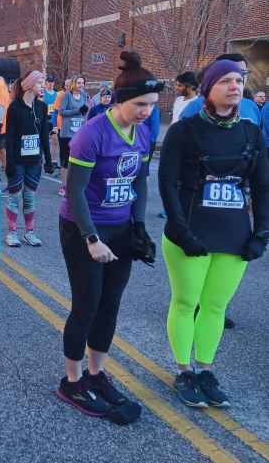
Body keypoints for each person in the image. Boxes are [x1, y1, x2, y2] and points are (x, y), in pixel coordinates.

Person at [159, 59, 269, 409]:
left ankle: (205, 369)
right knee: (186, 302)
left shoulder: (251, 133)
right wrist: (180, 229)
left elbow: (263, 186)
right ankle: (183, 370)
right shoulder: (184, 131)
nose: (235, 86)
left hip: (233, 237)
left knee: (216, 306)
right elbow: (168, 185)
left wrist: (262, 232)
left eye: (239, 80)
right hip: (190, 234)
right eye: (225, 81)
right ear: (208, 88)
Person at [56, 54, 161, 419]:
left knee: (110, 305)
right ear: (119, 101)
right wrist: (91, 238)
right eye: (139, 104)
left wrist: (139, 226)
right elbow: (75, 191)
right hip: (83, 227)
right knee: (87, 304)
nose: (146, 111)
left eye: (151, 105)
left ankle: (96, 374)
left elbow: (141, 182)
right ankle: (72, 381)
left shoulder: (144, 131)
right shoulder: (92, 133)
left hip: (119, 227)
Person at [4, 70, 54, 247]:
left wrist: (48, 160)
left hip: (34, 161)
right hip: (17, 160)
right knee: (14, 196)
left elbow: (44, 135)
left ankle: (29, 232)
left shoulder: (41, 107)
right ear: (29, 85)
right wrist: (8, 162)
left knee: (30, 196)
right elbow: (9, 137)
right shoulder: (15, 107)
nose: (43, 85)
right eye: (40, 82)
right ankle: (11, 233)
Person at [180, 54, 261, 125]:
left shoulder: (251, 106)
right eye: (230, 74)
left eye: (243, 72)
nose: (240, 78)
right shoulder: (196, 107)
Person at [57, 76, 89, 197]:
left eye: (83, 83)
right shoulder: (67, 96)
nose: (81, 85)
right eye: (79, 82)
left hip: (79, 133)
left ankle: (75, 185)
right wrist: (77, 110)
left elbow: (84, 114)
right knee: (66, 160)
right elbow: (61, 112)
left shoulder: (84, 96)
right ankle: (63, 186)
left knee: (78, 160)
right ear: (74, 84)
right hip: (67, 133)